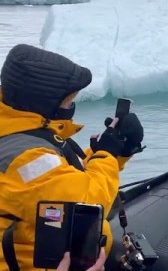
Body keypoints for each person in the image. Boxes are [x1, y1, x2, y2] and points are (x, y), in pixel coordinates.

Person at [0, 44, 145, 271]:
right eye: (68, 102)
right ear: (45, 104)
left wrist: (117, 153)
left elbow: (61, 181)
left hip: (58, 251)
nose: (71, 108)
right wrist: (107, 154)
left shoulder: (17, 132)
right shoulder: (23, 159)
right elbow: (86, 201)